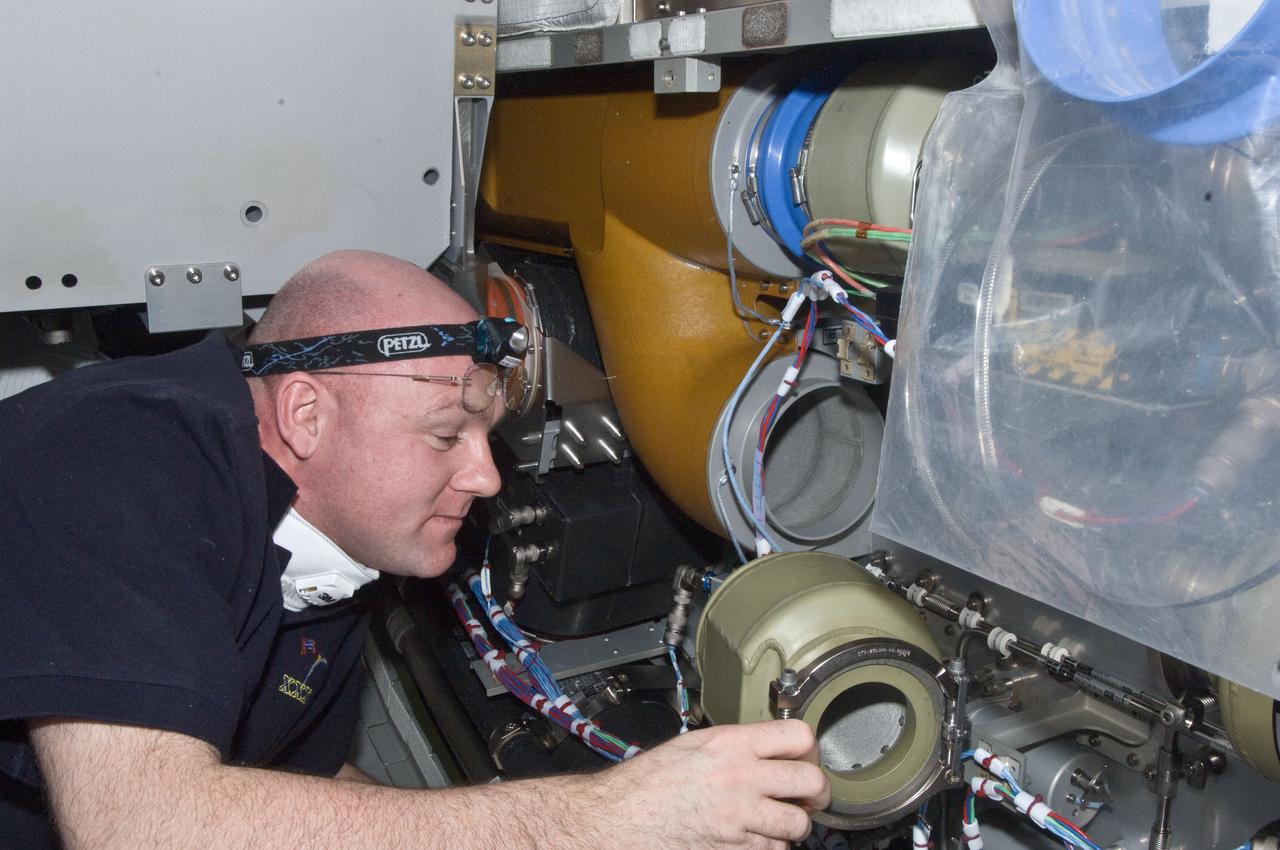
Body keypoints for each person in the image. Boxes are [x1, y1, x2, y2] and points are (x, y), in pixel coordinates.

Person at [0, 250, 829, 849]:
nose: (486, 478)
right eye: (446, 432)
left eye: (487, 434)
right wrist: (593, 818)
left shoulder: (329, 549)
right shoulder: (117, 453)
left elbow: (309, 796)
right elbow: (142, 829)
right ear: (305, 414)